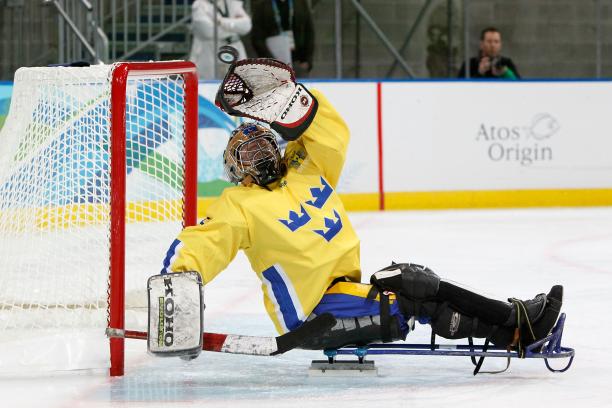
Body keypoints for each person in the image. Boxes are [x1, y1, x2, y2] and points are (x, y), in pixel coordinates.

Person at [161, 58, 562, 353]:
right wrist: (175, 283)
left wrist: (294, 103)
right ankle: (515, 329)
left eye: (263, 143)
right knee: (411, 295)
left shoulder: (303, 169)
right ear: (236, 170)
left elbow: (333, 134)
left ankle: (516, 322)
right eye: (246, 153)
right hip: (313, 316)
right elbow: (204, 241)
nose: (260, 154)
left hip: (347, 290)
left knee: (417, 281)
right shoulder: (238, 204)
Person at [250, 0, 315, 77]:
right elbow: (257, 37)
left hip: (298, 61)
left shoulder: (300, 3)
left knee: (298, 86)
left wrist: (307, 59)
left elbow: (309, 32)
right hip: (271, 64)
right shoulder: (262, 5)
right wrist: (270, 61)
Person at [189, 0, 252, 79]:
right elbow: (208, 31)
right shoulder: (199, 5)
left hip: (233, 48)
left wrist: (221, 21)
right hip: (208, 52)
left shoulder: (232, 3)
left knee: (237, 85)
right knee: (208, 87)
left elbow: (246, 26)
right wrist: (235, 28)